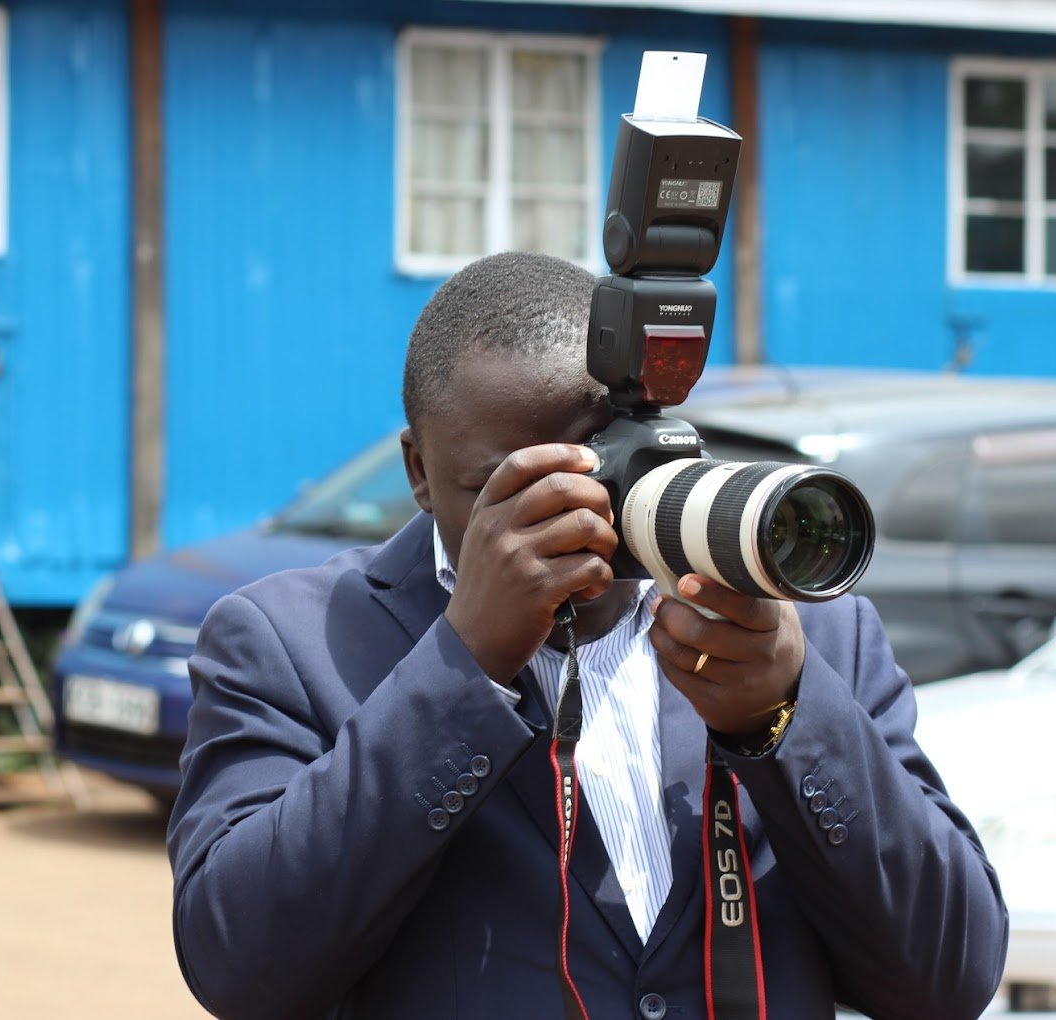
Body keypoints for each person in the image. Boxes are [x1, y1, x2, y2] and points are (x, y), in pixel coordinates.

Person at [167, 251, 1008, 1020]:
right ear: (418, 472)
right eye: (508, 493)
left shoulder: (810, 634)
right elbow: (243, 969)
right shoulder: (289, 640)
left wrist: (784, 718)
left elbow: (947, 978)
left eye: (590, 478)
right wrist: (465, 666)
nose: (564, 525)